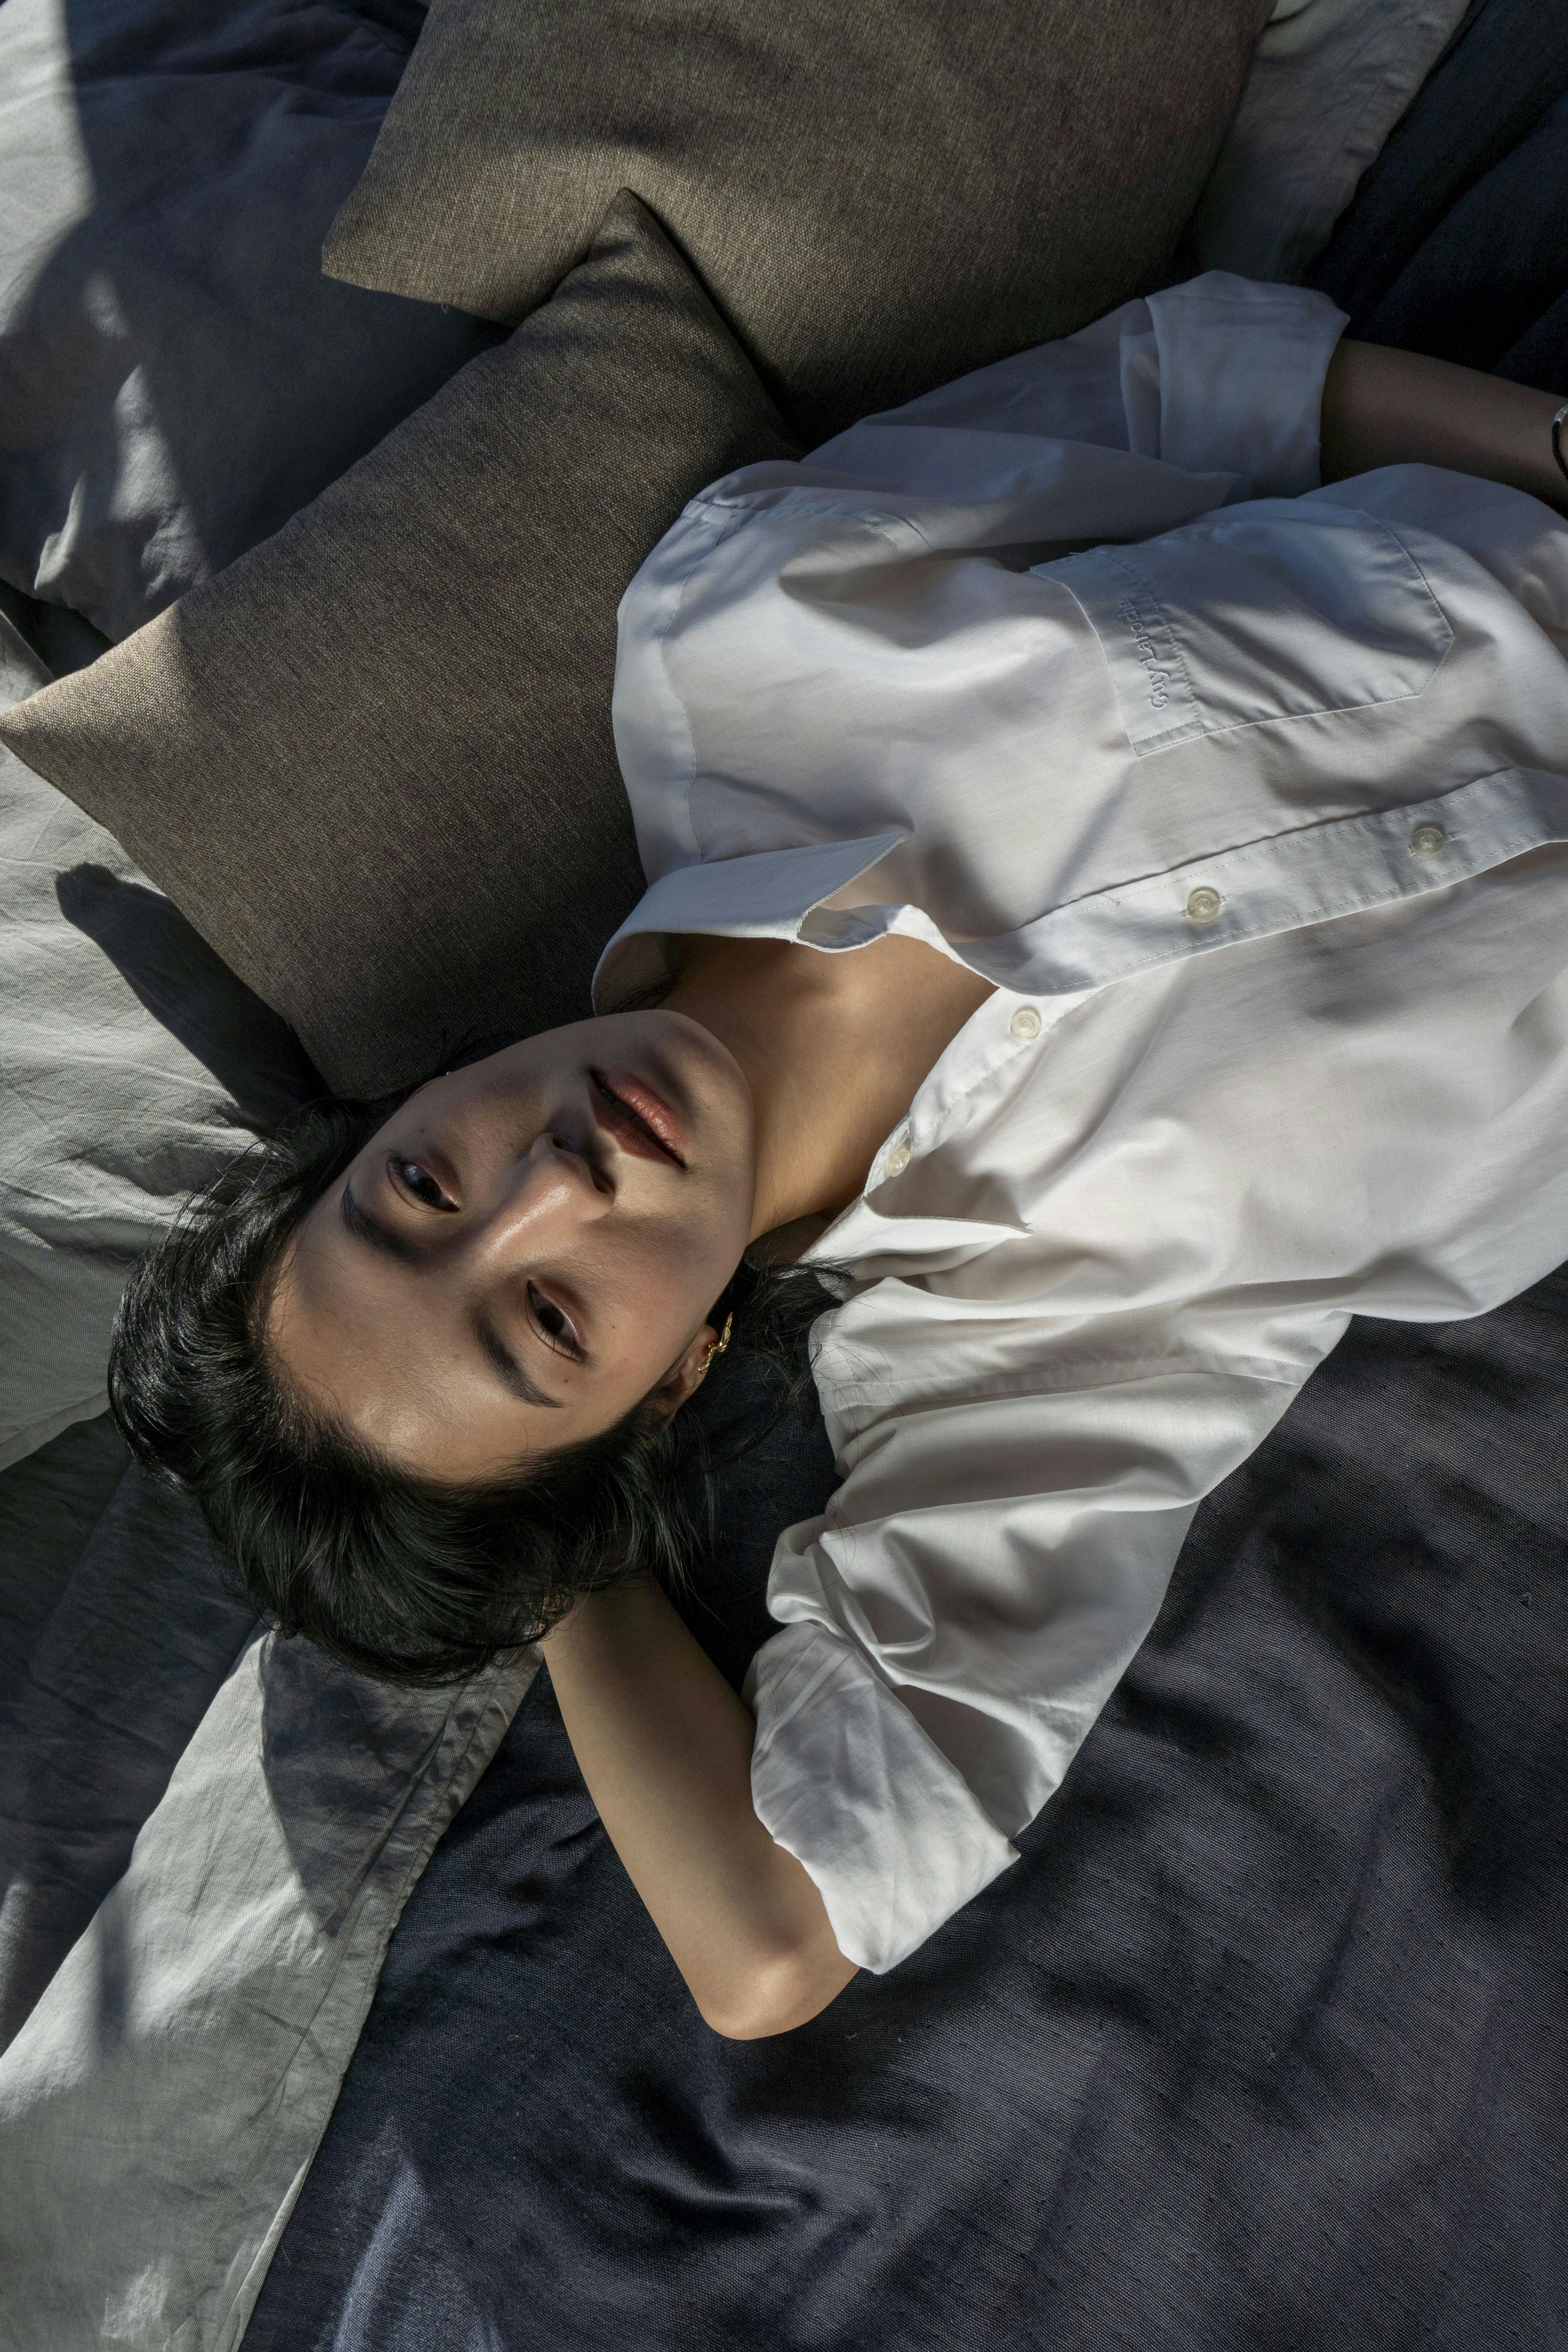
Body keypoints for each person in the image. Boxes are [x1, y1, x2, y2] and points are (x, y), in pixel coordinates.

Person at [111, 273, 1568, 2040]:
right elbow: (771, 1945)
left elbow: (1198, 398)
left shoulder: (738, 628)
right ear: (673, 1390)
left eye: (421, 1188)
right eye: (553, 1322)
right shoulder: (1018, 1362)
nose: (554, 1181)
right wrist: (551, 1564)